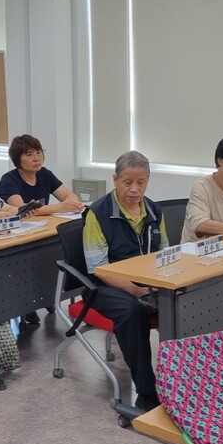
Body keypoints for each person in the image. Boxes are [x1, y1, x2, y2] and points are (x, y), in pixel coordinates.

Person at [83, 150, 167, 412]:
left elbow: (163, 254)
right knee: (132, 312)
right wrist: (133, 289)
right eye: (127, 182)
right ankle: (146, 392)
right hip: (105, 286)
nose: (134, 189)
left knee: (182, 302)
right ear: (115, 180)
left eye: (141, 182)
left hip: (146, 282)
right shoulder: (98, 213)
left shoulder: (153, 210)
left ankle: (182, 380)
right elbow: (98, 268)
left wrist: (156, 286)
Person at [0, 134, 85, 216]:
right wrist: (59, 207)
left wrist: (73, 204)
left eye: (38, 153)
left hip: (43, 222)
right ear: (17, 159)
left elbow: (67, 195)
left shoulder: (45, 174)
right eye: (29, 155)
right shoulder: (9, 180)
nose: (36, 158)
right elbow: (21, 209)